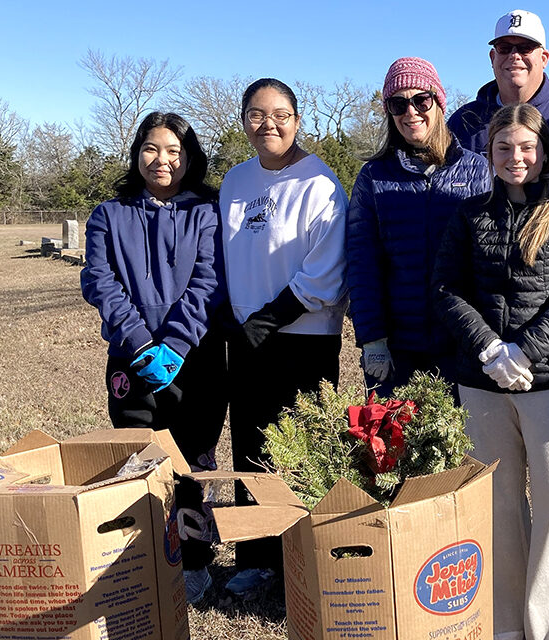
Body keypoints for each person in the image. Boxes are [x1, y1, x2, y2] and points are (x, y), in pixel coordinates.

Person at [433, 103, 549, 640]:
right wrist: (489, 350)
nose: (515, 157)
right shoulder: (468, 214)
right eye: (504, 147)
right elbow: (447, 290)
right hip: (481, 380)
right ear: (490, 152)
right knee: (498, 498)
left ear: (544, 151)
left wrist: (524, 352)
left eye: (526, 146)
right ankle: (504, 620)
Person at [448, 7, 549, 526]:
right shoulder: (464, 122)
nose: (514, 56)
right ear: (492, 56)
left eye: (526, 48)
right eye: (505, 48)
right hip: (483, 319)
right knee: (492, 481)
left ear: (544, 56)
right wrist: (485, 340)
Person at [80, 111, 227, 604]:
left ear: (189, 157)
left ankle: (194, 562)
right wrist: (142, 343)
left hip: (197, 358)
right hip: (131, 360)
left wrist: (178, 343)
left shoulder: (207, 211)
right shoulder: (108, 214)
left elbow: (209, 282)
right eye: (151, 148)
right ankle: (138, 560)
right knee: (135, 459)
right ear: (137, 152)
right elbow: (99, 281)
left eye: (174, 151)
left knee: (191, 460)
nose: (162, 160)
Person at [218, 77, 348, 597]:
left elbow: (326, 273)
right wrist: (237, 321)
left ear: (297, 120)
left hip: (302, 338)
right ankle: (257, 559)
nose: (267, 123)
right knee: (250, 448)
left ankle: (305, 557)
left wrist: (267, 320)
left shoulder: (319, 184)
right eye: (256, 113)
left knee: (301, 449)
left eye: (279, 114)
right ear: (244, 120)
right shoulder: (235, 181)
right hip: (246, 340)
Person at [346, 57, 489, 397]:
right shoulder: (373, 177)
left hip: (462, 344)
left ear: (438, 102)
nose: (410, 112)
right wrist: (373, 338)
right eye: (398, 103)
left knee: (463, 450)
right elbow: (362, 263)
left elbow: (489, 260)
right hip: (397, 350)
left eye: (420, 100)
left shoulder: (478, 170)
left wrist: (488, 335)